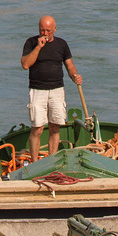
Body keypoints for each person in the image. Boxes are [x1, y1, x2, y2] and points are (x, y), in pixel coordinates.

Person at [21, 15, 82, 159]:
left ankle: (51, 160)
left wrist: (74, 76)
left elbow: (69, 65)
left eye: (48, 30)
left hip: (57, 90)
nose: (45, 33)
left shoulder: (62, 44)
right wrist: (38, 47)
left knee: (55, 127)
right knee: (37, 129)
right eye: (42, 30)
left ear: (55, 29)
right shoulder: (31, 42)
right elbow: (25, 64)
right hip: (37, 90)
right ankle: (35, 163)